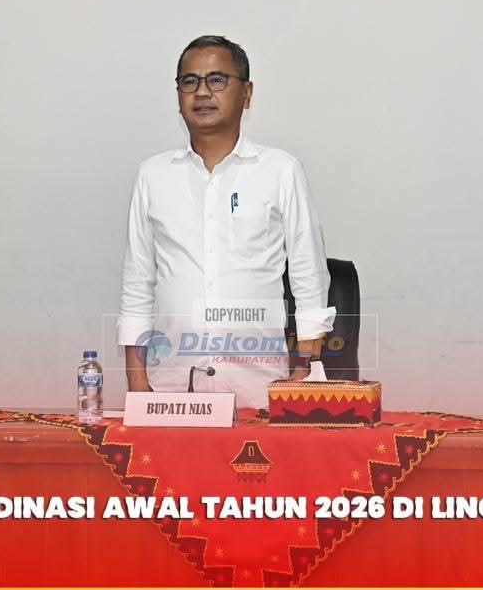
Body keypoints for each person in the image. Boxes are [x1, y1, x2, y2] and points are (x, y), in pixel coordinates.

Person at [118, 35, 333, 408]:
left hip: (261, 387)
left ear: (246, 93)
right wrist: (138, 382)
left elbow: (308, 276)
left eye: (217, 80)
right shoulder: (153, 175)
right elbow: (138, 283)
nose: (202, 92)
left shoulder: (280, 170)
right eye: (190, 81)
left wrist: (305, 368)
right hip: (170, 386)